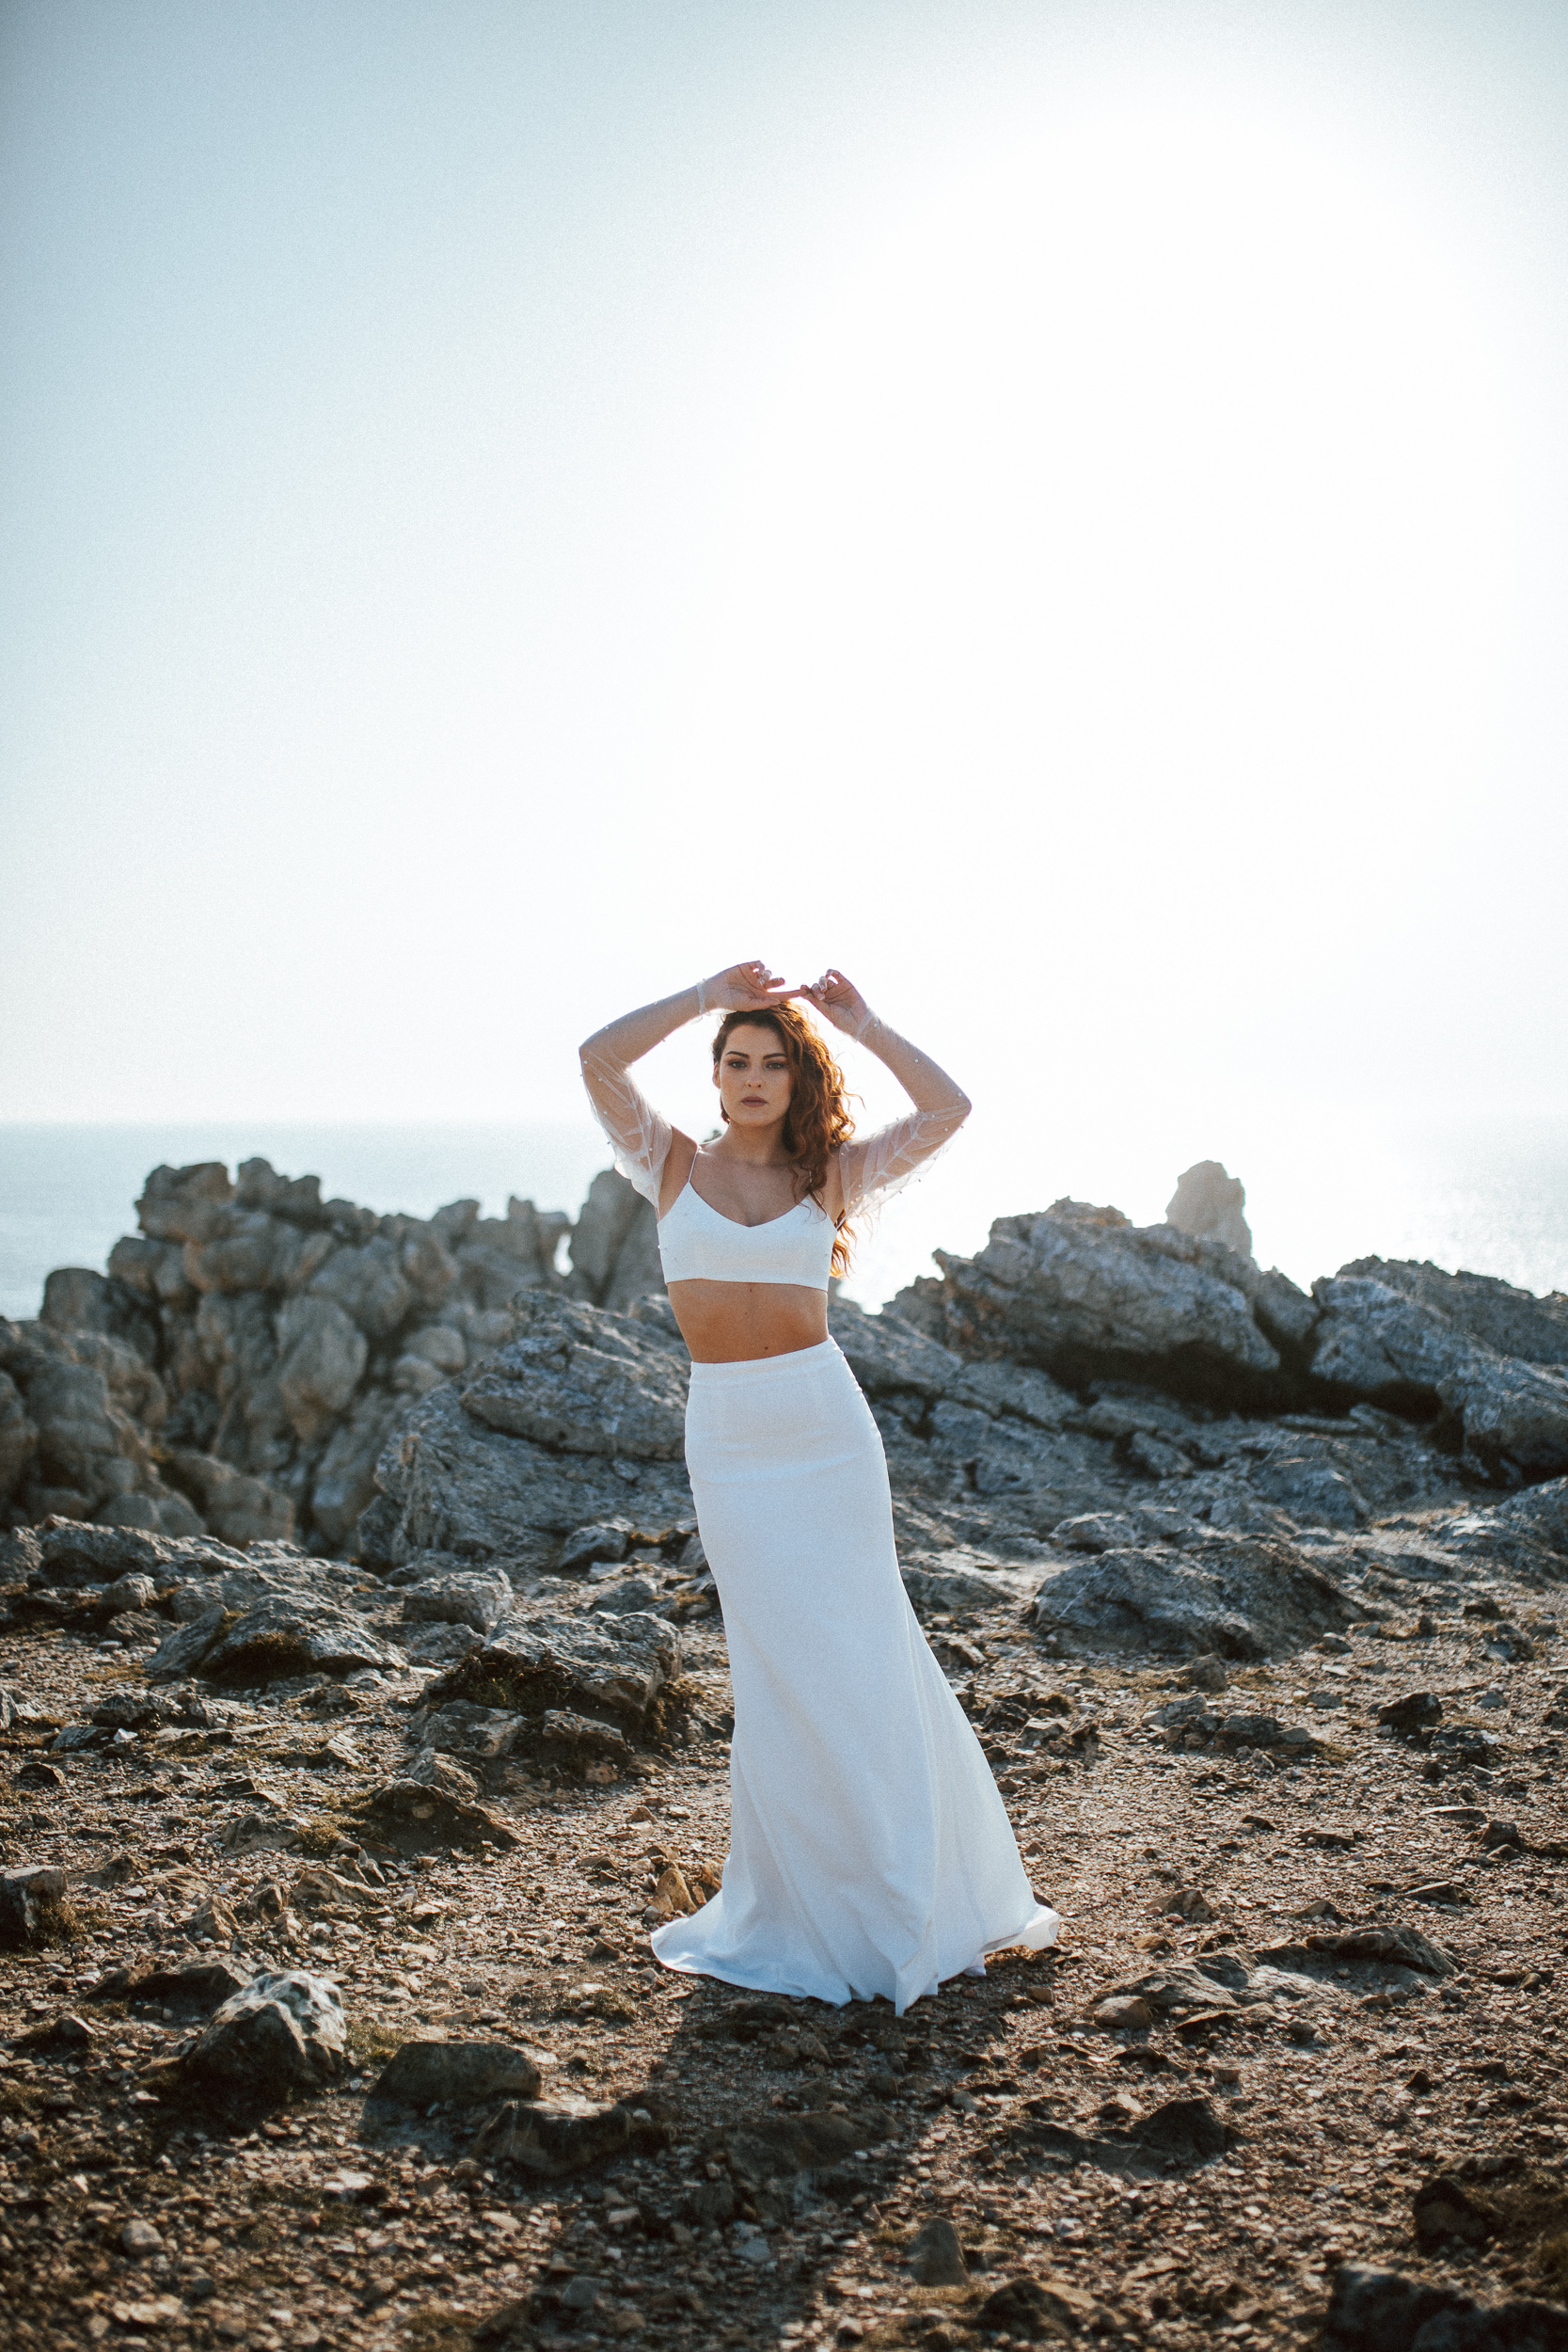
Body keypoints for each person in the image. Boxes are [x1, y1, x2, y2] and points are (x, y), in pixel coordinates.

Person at [579, 959, 1060, 2013]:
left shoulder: (826, 1178)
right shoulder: (664, 1162)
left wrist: (867, 1021)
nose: (753, 1078)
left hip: (825, 1430)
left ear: (797, 1080)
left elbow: (947, 1107)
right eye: (735, 1060)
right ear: (713, 1076)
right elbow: (597, 1057)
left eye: (772, 1063)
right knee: (778, 1669)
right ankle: (803, 1905)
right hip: (733, 1438)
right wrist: (706, 993)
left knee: (863, 1652)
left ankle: (905, 1896)